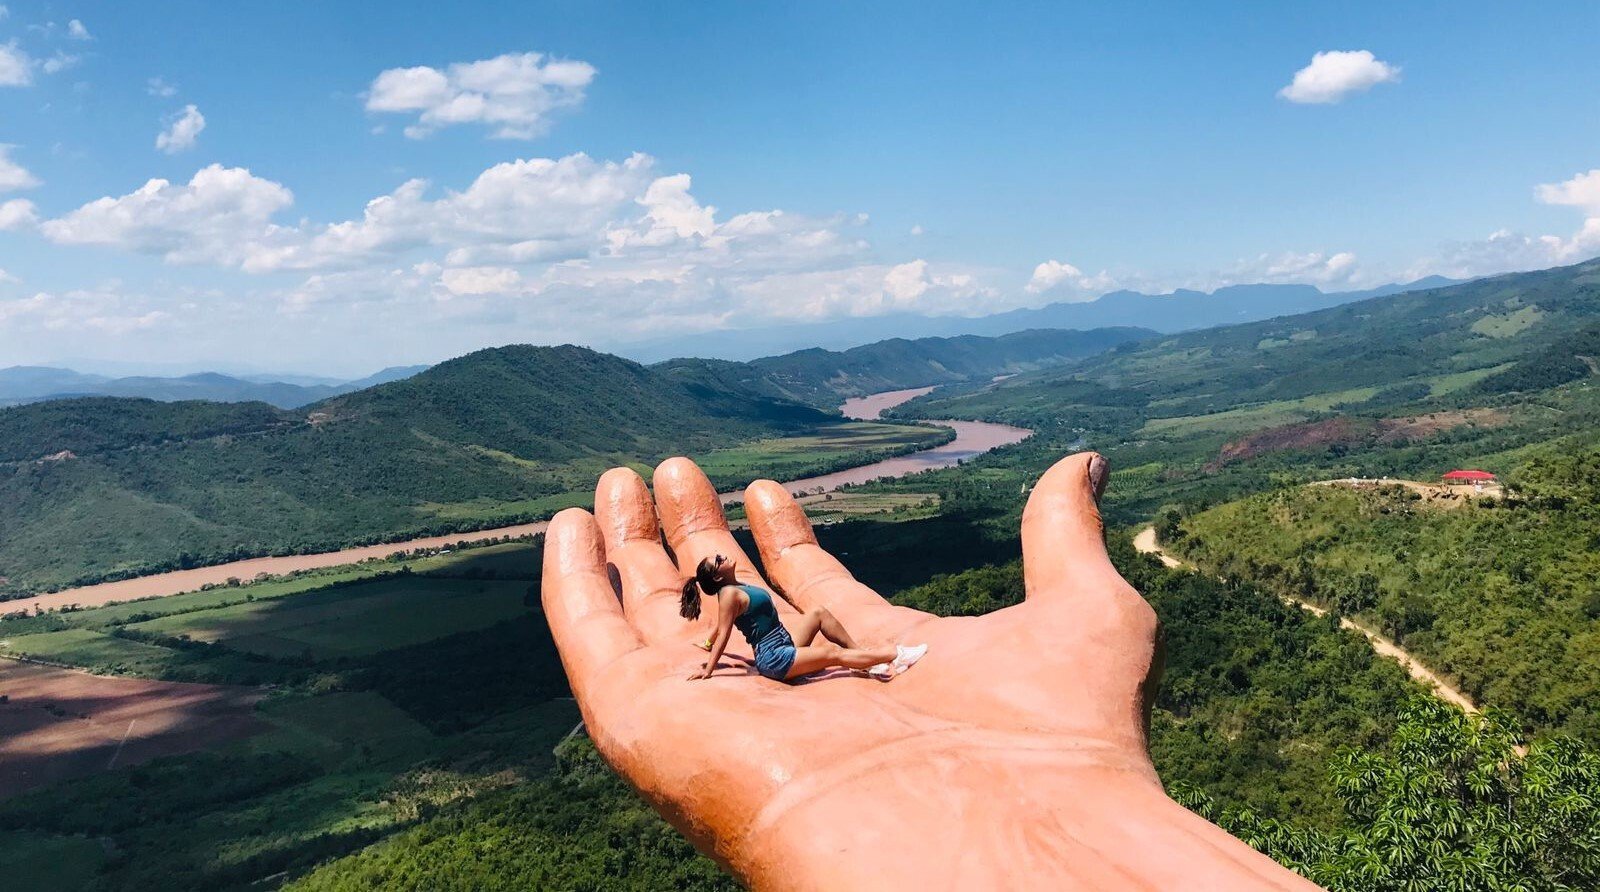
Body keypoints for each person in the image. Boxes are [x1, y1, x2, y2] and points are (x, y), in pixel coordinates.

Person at [682, 552, 926, 682]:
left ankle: (865, 660)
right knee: (832, 654)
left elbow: (720, 627)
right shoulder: (728, 595)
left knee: (818, 613)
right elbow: (725, 631)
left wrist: (708, 643)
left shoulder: (736, 587)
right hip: (774, 659)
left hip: (784, 644)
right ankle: (895, 654)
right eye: (718, 560)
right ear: (717, 577)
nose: (723, 556)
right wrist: (709, 670)